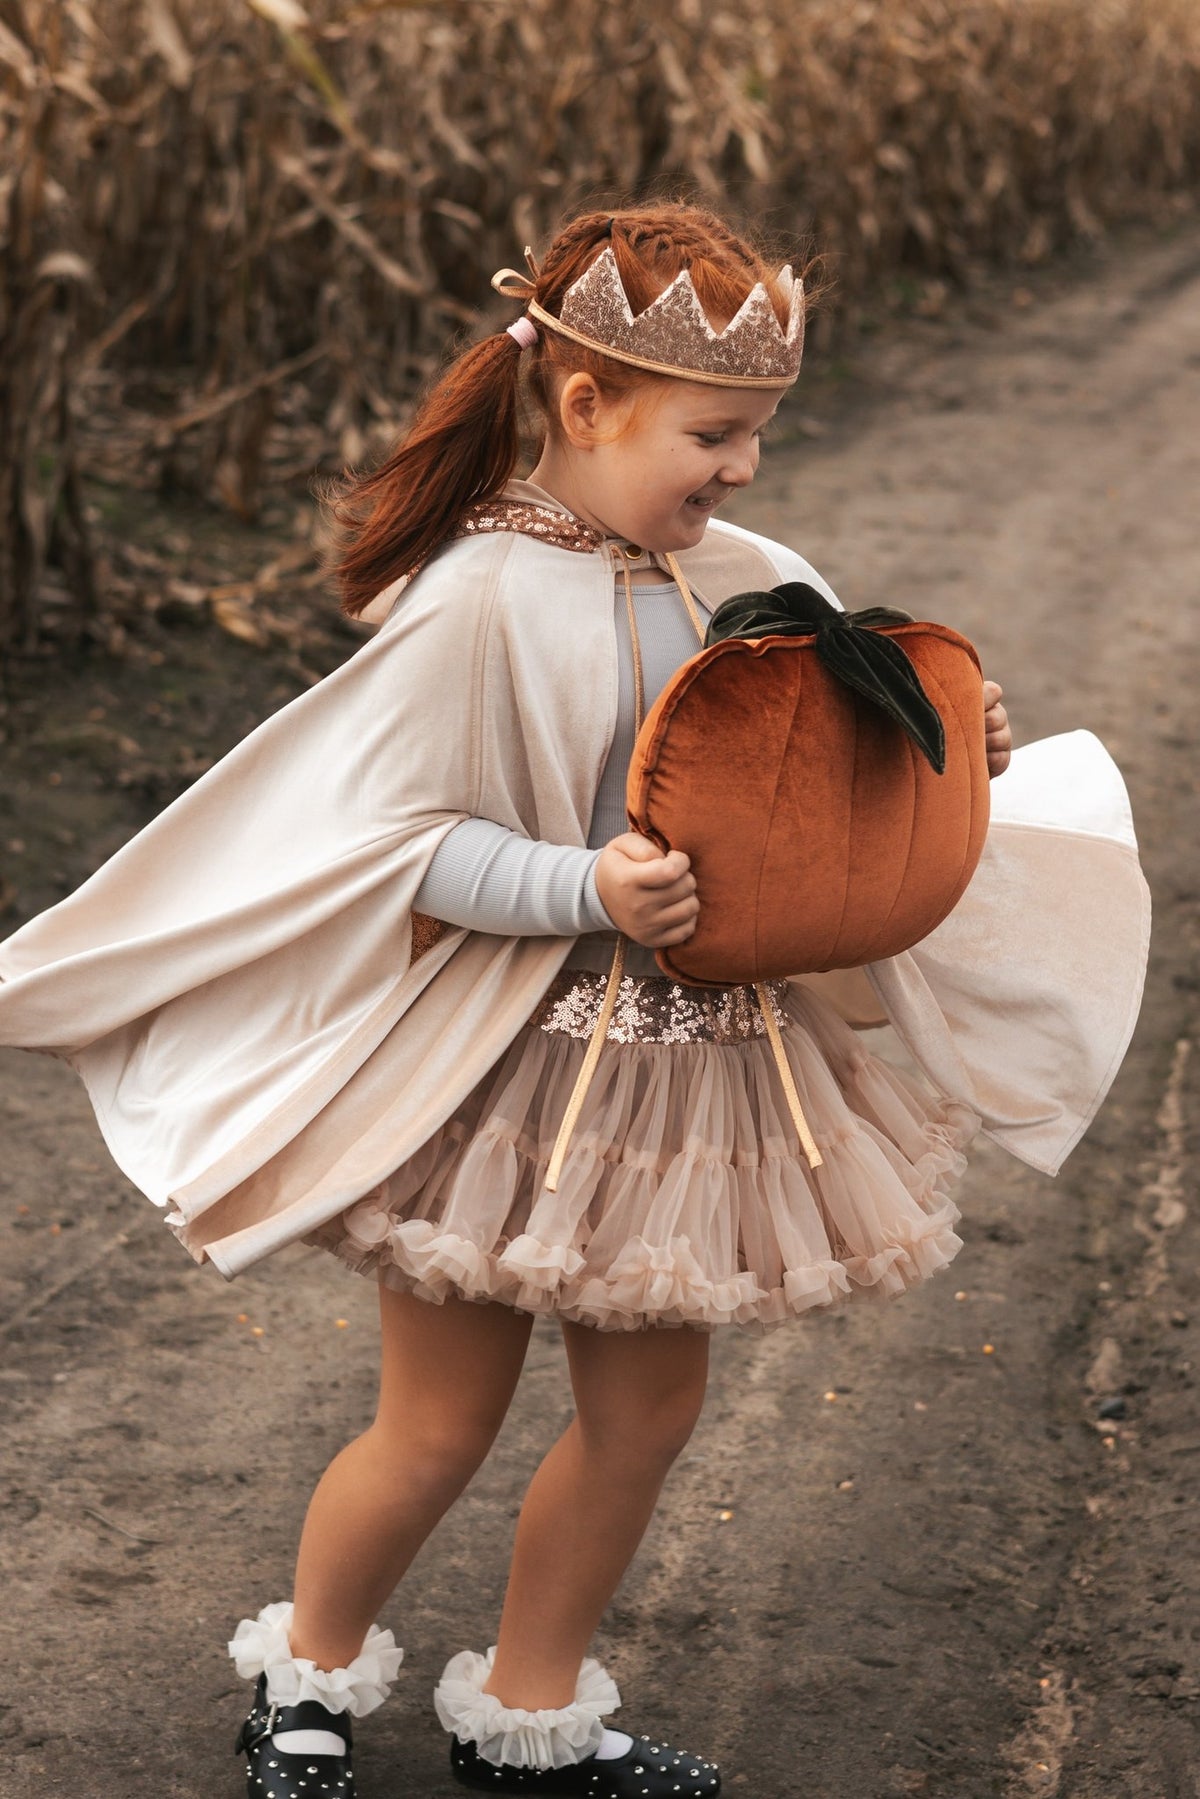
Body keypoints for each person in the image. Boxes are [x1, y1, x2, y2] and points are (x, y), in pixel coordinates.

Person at [0, 203, 1149, 1799]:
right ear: (588, 403)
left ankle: (527, 1713)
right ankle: (307, 1677)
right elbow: (393, 844)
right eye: (713, 435)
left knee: (645, 1420)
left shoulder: (749, 577)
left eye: (756, 433)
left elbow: (819, 772)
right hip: (510, 1070)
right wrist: (581, 888)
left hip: (697, 1067)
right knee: (436, 1425)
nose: (743, 468)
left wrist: (952, 744)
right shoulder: (477, 597)